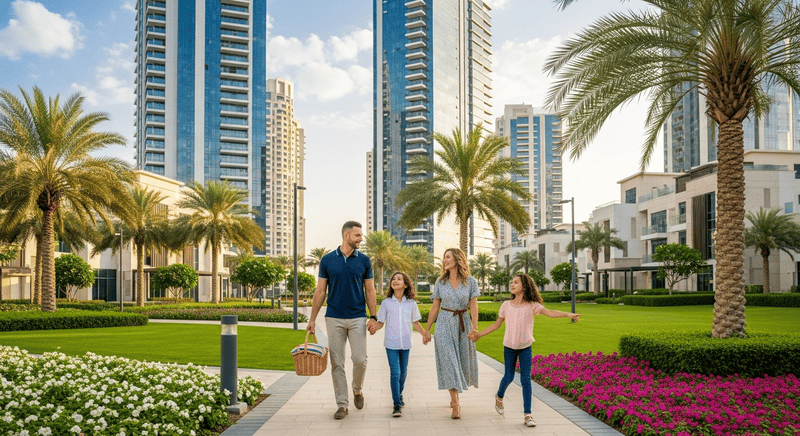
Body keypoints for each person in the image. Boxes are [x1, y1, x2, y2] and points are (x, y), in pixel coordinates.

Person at [472, 273, 580, 427]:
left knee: (525, 380)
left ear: (524, 286)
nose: (512, 284)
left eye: (516, 282)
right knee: (508, 377)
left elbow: (550, 313)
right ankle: (499, 396)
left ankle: (528, 415)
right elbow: (496, 325)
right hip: (509, 347)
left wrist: (567, 314)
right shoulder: (506, 305)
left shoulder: (532, 305)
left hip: (525, 348)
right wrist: (479, 334)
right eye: (511, 282)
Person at [306, 221, 378, 420]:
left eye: (361, 235)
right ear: (346, 235)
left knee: (360, 360)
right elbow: (320, 291)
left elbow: (370, 290)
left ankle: (357, 389)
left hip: (357, 317)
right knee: (337, 363)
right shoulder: (328, 260)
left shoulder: (364, 260)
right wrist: (312, 319)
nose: (361, 238)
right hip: (334, 318)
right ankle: (342, 404)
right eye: (358, 235)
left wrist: (373, 316)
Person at [423, 247, 480, 419]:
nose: (444, 260)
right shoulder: (440, 282)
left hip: (463, 324)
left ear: (457, 259)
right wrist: (427, 330)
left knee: (460, 361)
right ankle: (455, 402)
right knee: (449, 361)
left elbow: (474, 305)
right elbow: (435, 307)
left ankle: (454, 395)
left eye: (447, 257)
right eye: (444, 257)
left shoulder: (470, 282)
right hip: (444, 323)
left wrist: (474, 327)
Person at [371, 271, 430, 417]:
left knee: (403, 374)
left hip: (406, 344)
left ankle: (399, 394)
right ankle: (396, 404)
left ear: (405, 284)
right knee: (395, 373)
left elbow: (415, 322)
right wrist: (374, 329)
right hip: (390, 344)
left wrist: (424, 334)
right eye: (393, 279)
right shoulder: (386, 303)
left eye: (399, 279)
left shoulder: (411, 303)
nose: (395, 280)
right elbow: (380, 323)